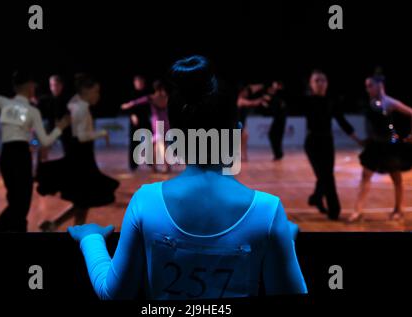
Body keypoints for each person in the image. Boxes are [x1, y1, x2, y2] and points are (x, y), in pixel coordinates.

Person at [69, 56, 307, 299]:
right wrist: (281, 242)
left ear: (173, 138)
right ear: (236, 133)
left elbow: (113, 293)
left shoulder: (145, 202)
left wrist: (91, 239)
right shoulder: (268, 212)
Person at [0, 62, 70, 232]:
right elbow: (46, 141)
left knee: (16, 204)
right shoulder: (32, 111)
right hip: (20, 157)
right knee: (20, 207)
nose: (35, 87)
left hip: (5, 156)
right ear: (28, 86)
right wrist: (60, 128)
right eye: (33, 84)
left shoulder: (5, 102)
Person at [37, 74, 120, 231]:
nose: (98, 95)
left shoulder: (77, 102)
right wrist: (102, 133)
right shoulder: (81, 108)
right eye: (96, 91)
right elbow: (81, 136)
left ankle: (56, 225)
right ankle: (63, 227)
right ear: (86, 91)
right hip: (82, 160)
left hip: (82, 158)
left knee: (83, 202)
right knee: (84, 202)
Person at [348, 76, 412, 222]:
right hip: (375, 146)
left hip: (389, 146)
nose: (367, 89)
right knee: (365, 177)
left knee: (396, 178)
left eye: (370, 85)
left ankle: (399, 209)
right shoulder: (371, 103)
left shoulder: (389, 101)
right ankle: (357, 211)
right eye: (366, 86)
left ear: (380, 85)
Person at [303, 70, 362, 220]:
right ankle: (330, 207)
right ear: (311, 84)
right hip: (312, 142)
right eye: (316, 81)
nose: (320, 84)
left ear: (327, 83)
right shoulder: (307, 101)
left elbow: (342, 122)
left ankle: (321, 202)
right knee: (324, 176)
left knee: (327, 176)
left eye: (323, 80)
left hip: (327, 142)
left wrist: (358, 139)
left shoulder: (331, 101)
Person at [122, 80, 170, 173]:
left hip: (157, 123)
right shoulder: (166, 97)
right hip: (166, 122)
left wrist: (127, 105)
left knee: (161, 144)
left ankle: (166, 166)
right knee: (156, 144)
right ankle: (154, 166)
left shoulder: (151, 97)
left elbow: (137, 102)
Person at [37, 74, 72, 157]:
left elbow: (70, 115)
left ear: (61, 86)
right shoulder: (45, 99)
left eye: (56, 85)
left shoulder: (68, 99)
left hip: (65, 129)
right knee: (43, 147)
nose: (53, 87)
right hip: (50, 128)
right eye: (51, 85)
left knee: (68, 149)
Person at [123, 75, 152, 171]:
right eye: (137, 82)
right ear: (134, 83)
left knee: (149, 142)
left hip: (146, 120)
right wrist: (132, 115)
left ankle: (151, 163)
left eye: (140, 82)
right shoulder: (131, 93)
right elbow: (125, 106)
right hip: (134, 122)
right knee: (134, 143)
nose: (139, 83)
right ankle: (133, 165)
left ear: (143, 83)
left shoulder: (147, 93)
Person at [236, 83, 268, 162]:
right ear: (242, 92)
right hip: (236, 124)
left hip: (242, 123)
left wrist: (263, 85)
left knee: (245, 137)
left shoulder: (244, 95)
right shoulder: (239, 100)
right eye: (246, 92)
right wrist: (261, 99)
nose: (247, 94)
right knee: (239, 140)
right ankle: (240, 156)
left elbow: (253, 89)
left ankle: (244, 155)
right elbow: (252, 103)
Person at [266, 80, 287, 161]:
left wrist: (270, 98)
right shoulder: (276, 96)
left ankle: (278, 154)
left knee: (275, 136)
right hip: (278, 118)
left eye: (275, 86)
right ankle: (278, 154)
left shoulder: (280, 95)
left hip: (280, 119)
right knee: (273, 135)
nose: (273, 88)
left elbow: (277, 104)